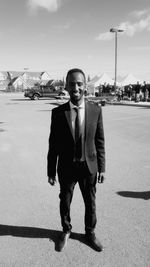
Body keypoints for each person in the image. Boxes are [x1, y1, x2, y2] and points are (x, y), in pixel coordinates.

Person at [47, 68, 106, 252]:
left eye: (79, 83)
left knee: (90, 202)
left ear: (85, 86)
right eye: (72, 83)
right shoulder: (58, 113)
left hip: (89, 166)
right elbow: (53, 144)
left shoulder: (95, 110)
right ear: (66, 86)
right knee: (65, 201)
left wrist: (102, 168)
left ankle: (90, 232)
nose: (76, 87)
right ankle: (66, 230)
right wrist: (51, 171)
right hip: (66, 168)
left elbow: (99, 141)